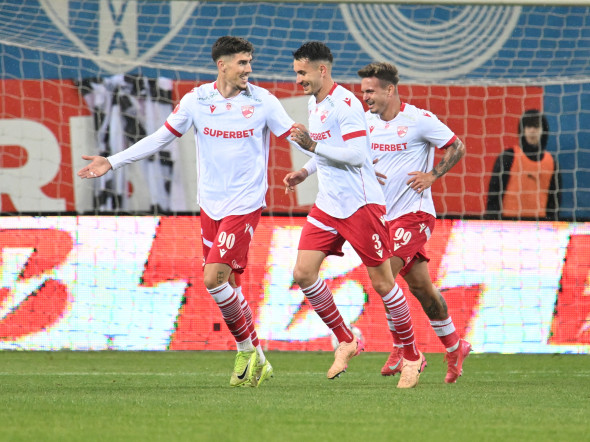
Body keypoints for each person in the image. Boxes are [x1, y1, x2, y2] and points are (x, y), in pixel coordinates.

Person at [77, 36, 295, 388]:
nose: (248, 69)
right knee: (230, 285)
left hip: (244, 205)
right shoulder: (197, 100)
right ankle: (261, 359)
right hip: (209, 205)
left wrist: (340, 162)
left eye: (250, 62)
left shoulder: (264, 101)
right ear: (222, 65)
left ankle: (244, 351)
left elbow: (298, 138)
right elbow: (160, 138)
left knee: (213, 279)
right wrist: (112, 161)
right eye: (242, 63)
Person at [284, 42, 426, 389]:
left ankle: (412, 356)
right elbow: (327, 149)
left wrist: (313, 146)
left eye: (302, 72)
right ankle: (347, 339)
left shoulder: (346, 104)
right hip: (329, 203)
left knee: (383, 283)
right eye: (296, 72)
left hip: (360, 204)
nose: (298, 79)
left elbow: (357, 155)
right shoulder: (314, 103)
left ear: (322, 70)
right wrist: (305, 170)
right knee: (303, 273)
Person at [357, 62, 471, 384]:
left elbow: (457, 146)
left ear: (389, 90)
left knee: (384, 275)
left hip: (414, 215)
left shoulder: (419, 120)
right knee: (422, 288)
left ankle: (402, 348)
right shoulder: (365, 123)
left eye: (370, 91)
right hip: (382, 218)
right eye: (363, 91)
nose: (365, 97)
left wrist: (432, 175)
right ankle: (455, 346)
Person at [486, 109, 561, 220]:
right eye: (528, 126)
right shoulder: (509, 157)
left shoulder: (551, 163)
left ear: (543, 130)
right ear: (523, 130)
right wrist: (492, 220)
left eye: (536, 127)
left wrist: (551, 222)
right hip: (509, 222)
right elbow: (494, 194)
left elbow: (554, 201)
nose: (532, 130)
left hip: (539, 224)